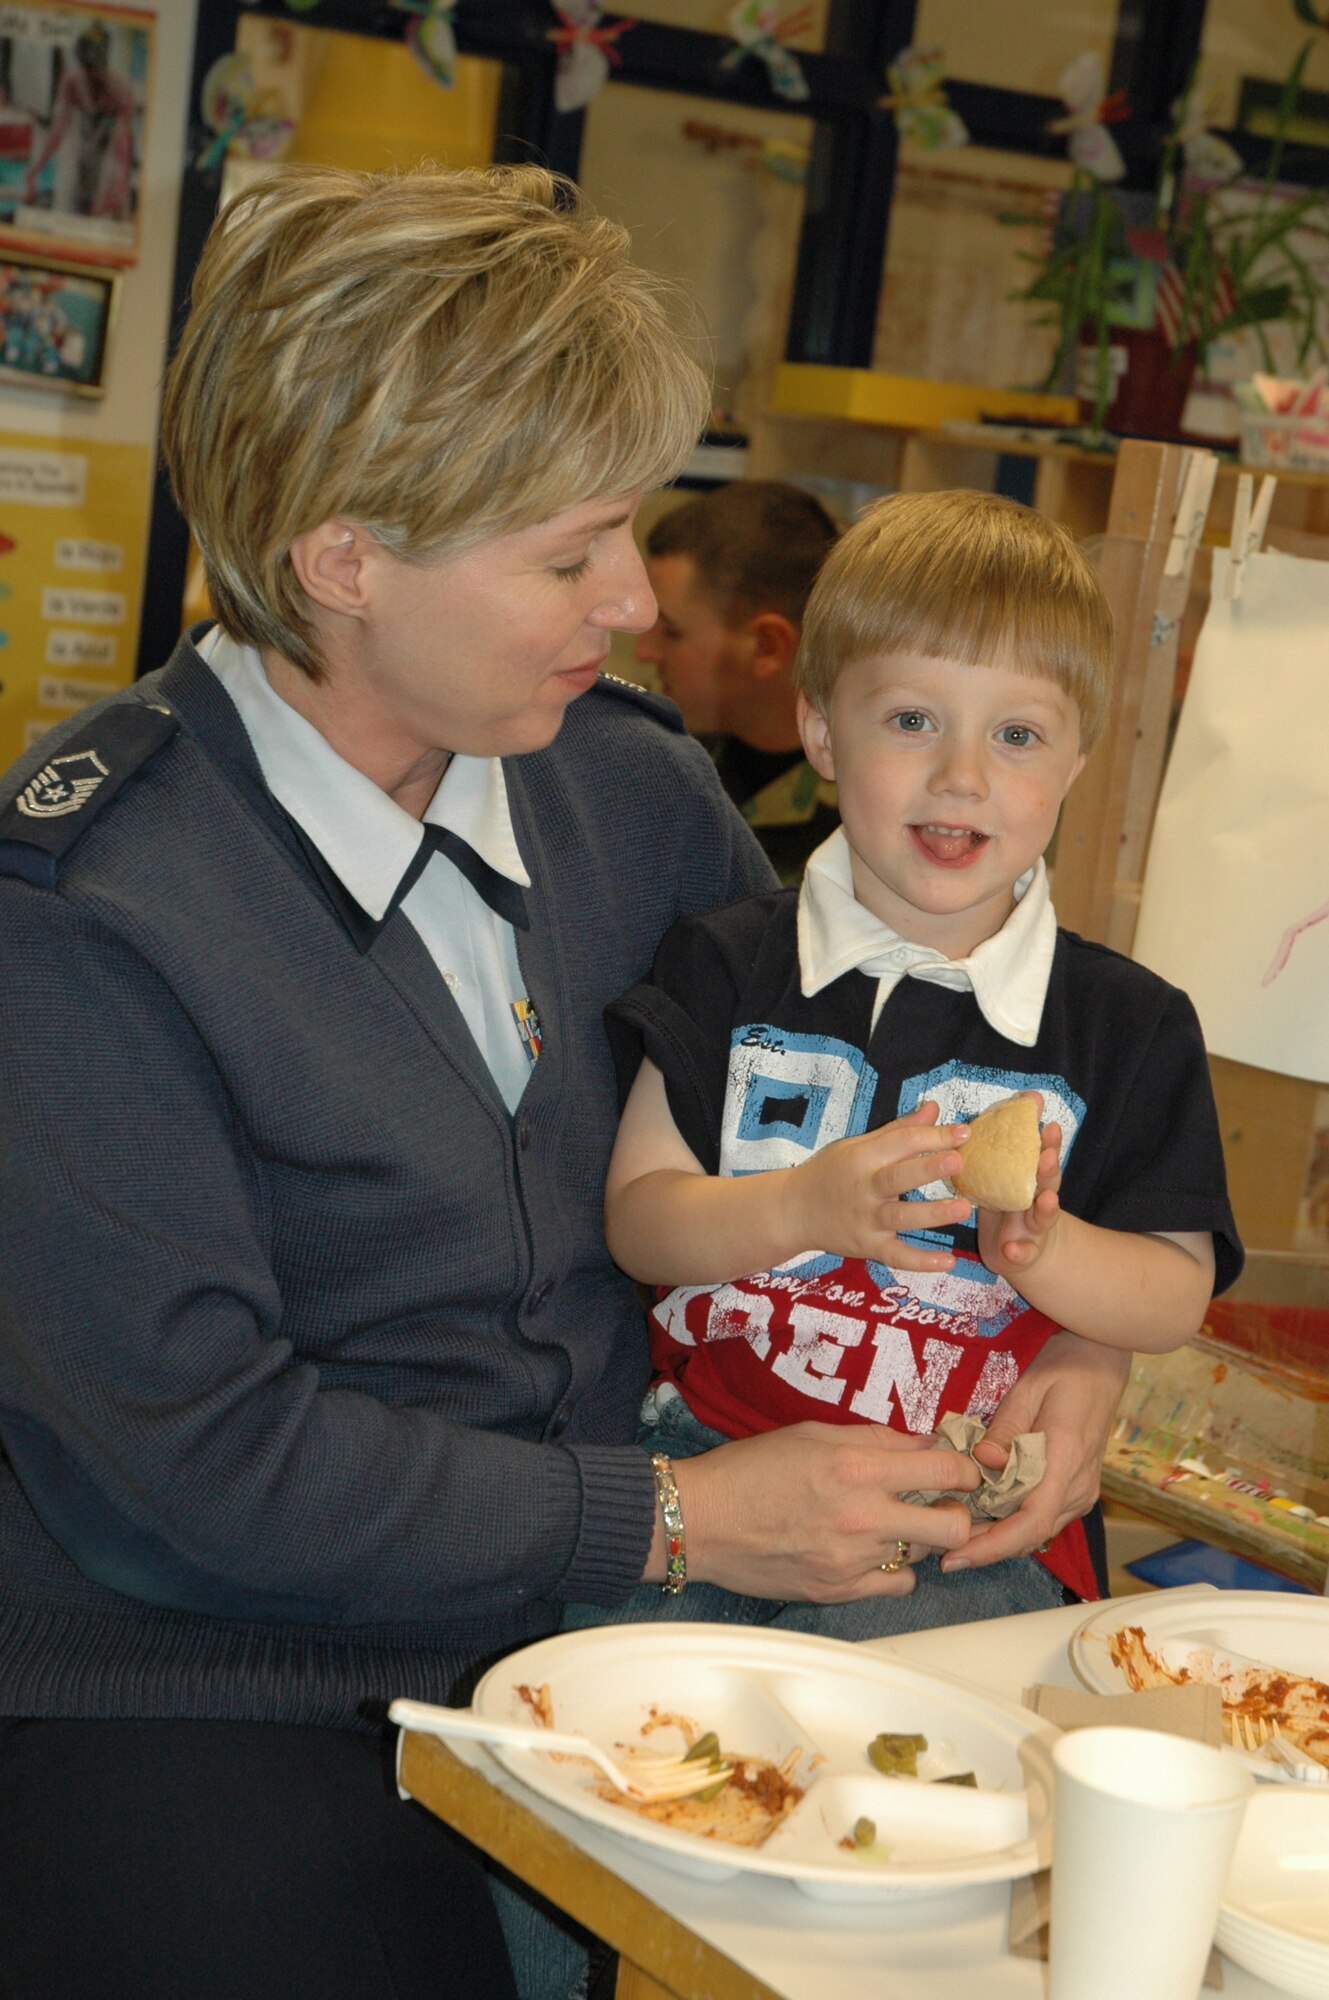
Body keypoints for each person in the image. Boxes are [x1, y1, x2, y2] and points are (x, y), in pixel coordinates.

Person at [0, 169, 1134, 2000]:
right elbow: (196, 1470)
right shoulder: (90, 915)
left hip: (624, 1619)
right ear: (342, 556)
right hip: (221, 1671)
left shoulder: (623, 787)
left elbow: (893, 1122)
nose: (629, 598)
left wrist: (1075, 1342)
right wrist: (678, 1519)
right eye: (566, 553)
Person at [569, 488, 1242, 1639]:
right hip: (711, 1463)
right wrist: (800, 1201)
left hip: (963, 1505)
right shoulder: (727, 961)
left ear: (1078, 756)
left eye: (1017, 734)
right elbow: (640, 1216)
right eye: (913, 720)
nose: (963, 776)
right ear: (823, 729)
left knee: (907, 1764)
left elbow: (1172, 1291)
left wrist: (1048, 1247)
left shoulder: (1128, 1023)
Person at [634, 479, 840, 881]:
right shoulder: (660, 768)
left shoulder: (862, 827)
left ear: (766, 647)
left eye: (671, 632)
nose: (645, 652)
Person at [21, 21, 136, 221]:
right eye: (86, 70)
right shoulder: (73, 81)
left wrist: (118, 186)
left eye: (95, 72)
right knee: (73, 203)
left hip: (110, 153)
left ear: (104, 65)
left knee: (113, 207)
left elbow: (124, 145)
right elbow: (57, 130)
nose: (90, 77)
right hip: (84, 153)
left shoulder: (120, 89)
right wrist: (36, 169)